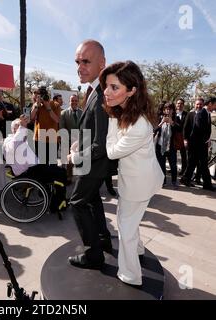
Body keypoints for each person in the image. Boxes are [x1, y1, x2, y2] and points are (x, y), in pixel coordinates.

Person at [100, 60, 164, 286]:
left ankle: (131, 275)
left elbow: (112, 152)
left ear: (132, 90)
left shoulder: (138, 125)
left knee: (125, 228)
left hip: (139, 184)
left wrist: (111, 122)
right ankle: (137, 249)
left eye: (114, 87)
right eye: (106, 85)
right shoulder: (130, 113)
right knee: (129, 220)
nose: (106, 92)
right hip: (140, 179)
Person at [67, 40, 118, 270]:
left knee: (77, 202)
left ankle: (93, 254)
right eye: (78, 61)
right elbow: (94, 133)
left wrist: (75, 157)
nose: (80, 67)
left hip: (94, 164)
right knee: (93, 199)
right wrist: (80, 142)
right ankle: (104, 240)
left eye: (86, 61)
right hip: (92, 163)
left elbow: (101, 145)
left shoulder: (102, 96)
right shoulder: (95, 91)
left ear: (102, 63)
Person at [3, 116, 67, 212]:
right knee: (60, 173)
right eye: (18, 126)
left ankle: (59, 200)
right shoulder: (9, 140)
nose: (22, 128)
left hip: (33, 168)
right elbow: (14, 144)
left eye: (21, 126)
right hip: (28, 171)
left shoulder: (21, 140)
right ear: (13, 130)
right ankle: (57, 205)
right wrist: (22, 127)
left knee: (59, 171)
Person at [180, 98, 215, 191]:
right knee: (198, 163)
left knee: (195, 163)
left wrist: (208, 139)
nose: (198, 106)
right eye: (197, 104)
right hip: (195, 143)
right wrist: (186, 140)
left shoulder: (207, 113)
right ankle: (206, 184)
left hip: (200, 144)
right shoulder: (196, 114)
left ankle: (186, 179)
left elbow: (206, 130)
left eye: (200, 104)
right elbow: (191, 128)